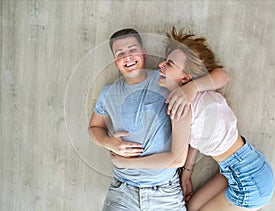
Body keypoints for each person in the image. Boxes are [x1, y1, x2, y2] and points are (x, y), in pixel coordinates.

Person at [111, 28, 274, 211]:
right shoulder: (201, 91)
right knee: (192, 206)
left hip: (247, 180)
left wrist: (127, 163)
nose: (160, 66)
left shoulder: (183, 101)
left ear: (186, 77)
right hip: (247, 165)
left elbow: (175, 160)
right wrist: (187, 174)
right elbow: (198, 133)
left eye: (170, 64)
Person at [88, 28, 229, 211]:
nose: (127, 57)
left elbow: (221, 76)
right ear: (115, 61)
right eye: (120, 53)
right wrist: (109, 142)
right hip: (123, 190)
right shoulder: (109, 92)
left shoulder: (165, 79)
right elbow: (94, 127)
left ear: (144, 53)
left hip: (165, 192)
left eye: (132, 50)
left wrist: (190, 88)